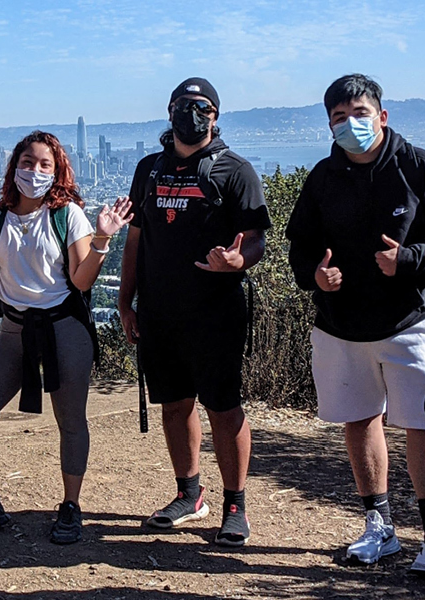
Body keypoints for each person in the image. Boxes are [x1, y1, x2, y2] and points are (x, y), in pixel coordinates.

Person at [286, 73, 425, 574]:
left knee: (424, 423)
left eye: (359, 114)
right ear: (329, 126)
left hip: (408, 322)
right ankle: (379, 527)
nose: (351, 125)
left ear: (382, 116)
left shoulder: (419, 168)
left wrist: (408, 260)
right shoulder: (323, 178)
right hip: (340, 326)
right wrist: (316, 276)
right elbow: (299, 247)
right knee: (359, 419)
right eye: (339, 118)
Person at [0, 131, 133, 544]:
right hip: (14, 329)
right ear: (14, 168)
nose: (35, 171)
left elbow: (81, 281)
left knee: (71, 421)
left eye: (45, 165)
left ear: (58, 171)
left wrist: (102, 239)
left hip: (63, 327)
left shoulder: (68, 216)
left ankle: (70, 506)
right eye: (28, 162)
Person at [118, 77, 270, 547]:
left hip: (216, 311)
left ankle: (235, 505)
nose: (192, 112)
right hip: (160, 311)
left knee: (224, 408)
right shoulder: (149, 169)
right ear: (169, 111)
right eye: (184, 105)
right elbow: (136, 239)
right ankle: (189, 494)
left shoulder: (235, 171)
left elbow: (258, 237)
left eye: (202, 106)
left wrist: (239, 261)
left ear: (216, 115)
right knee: (175, 404)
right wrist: (125, 300)